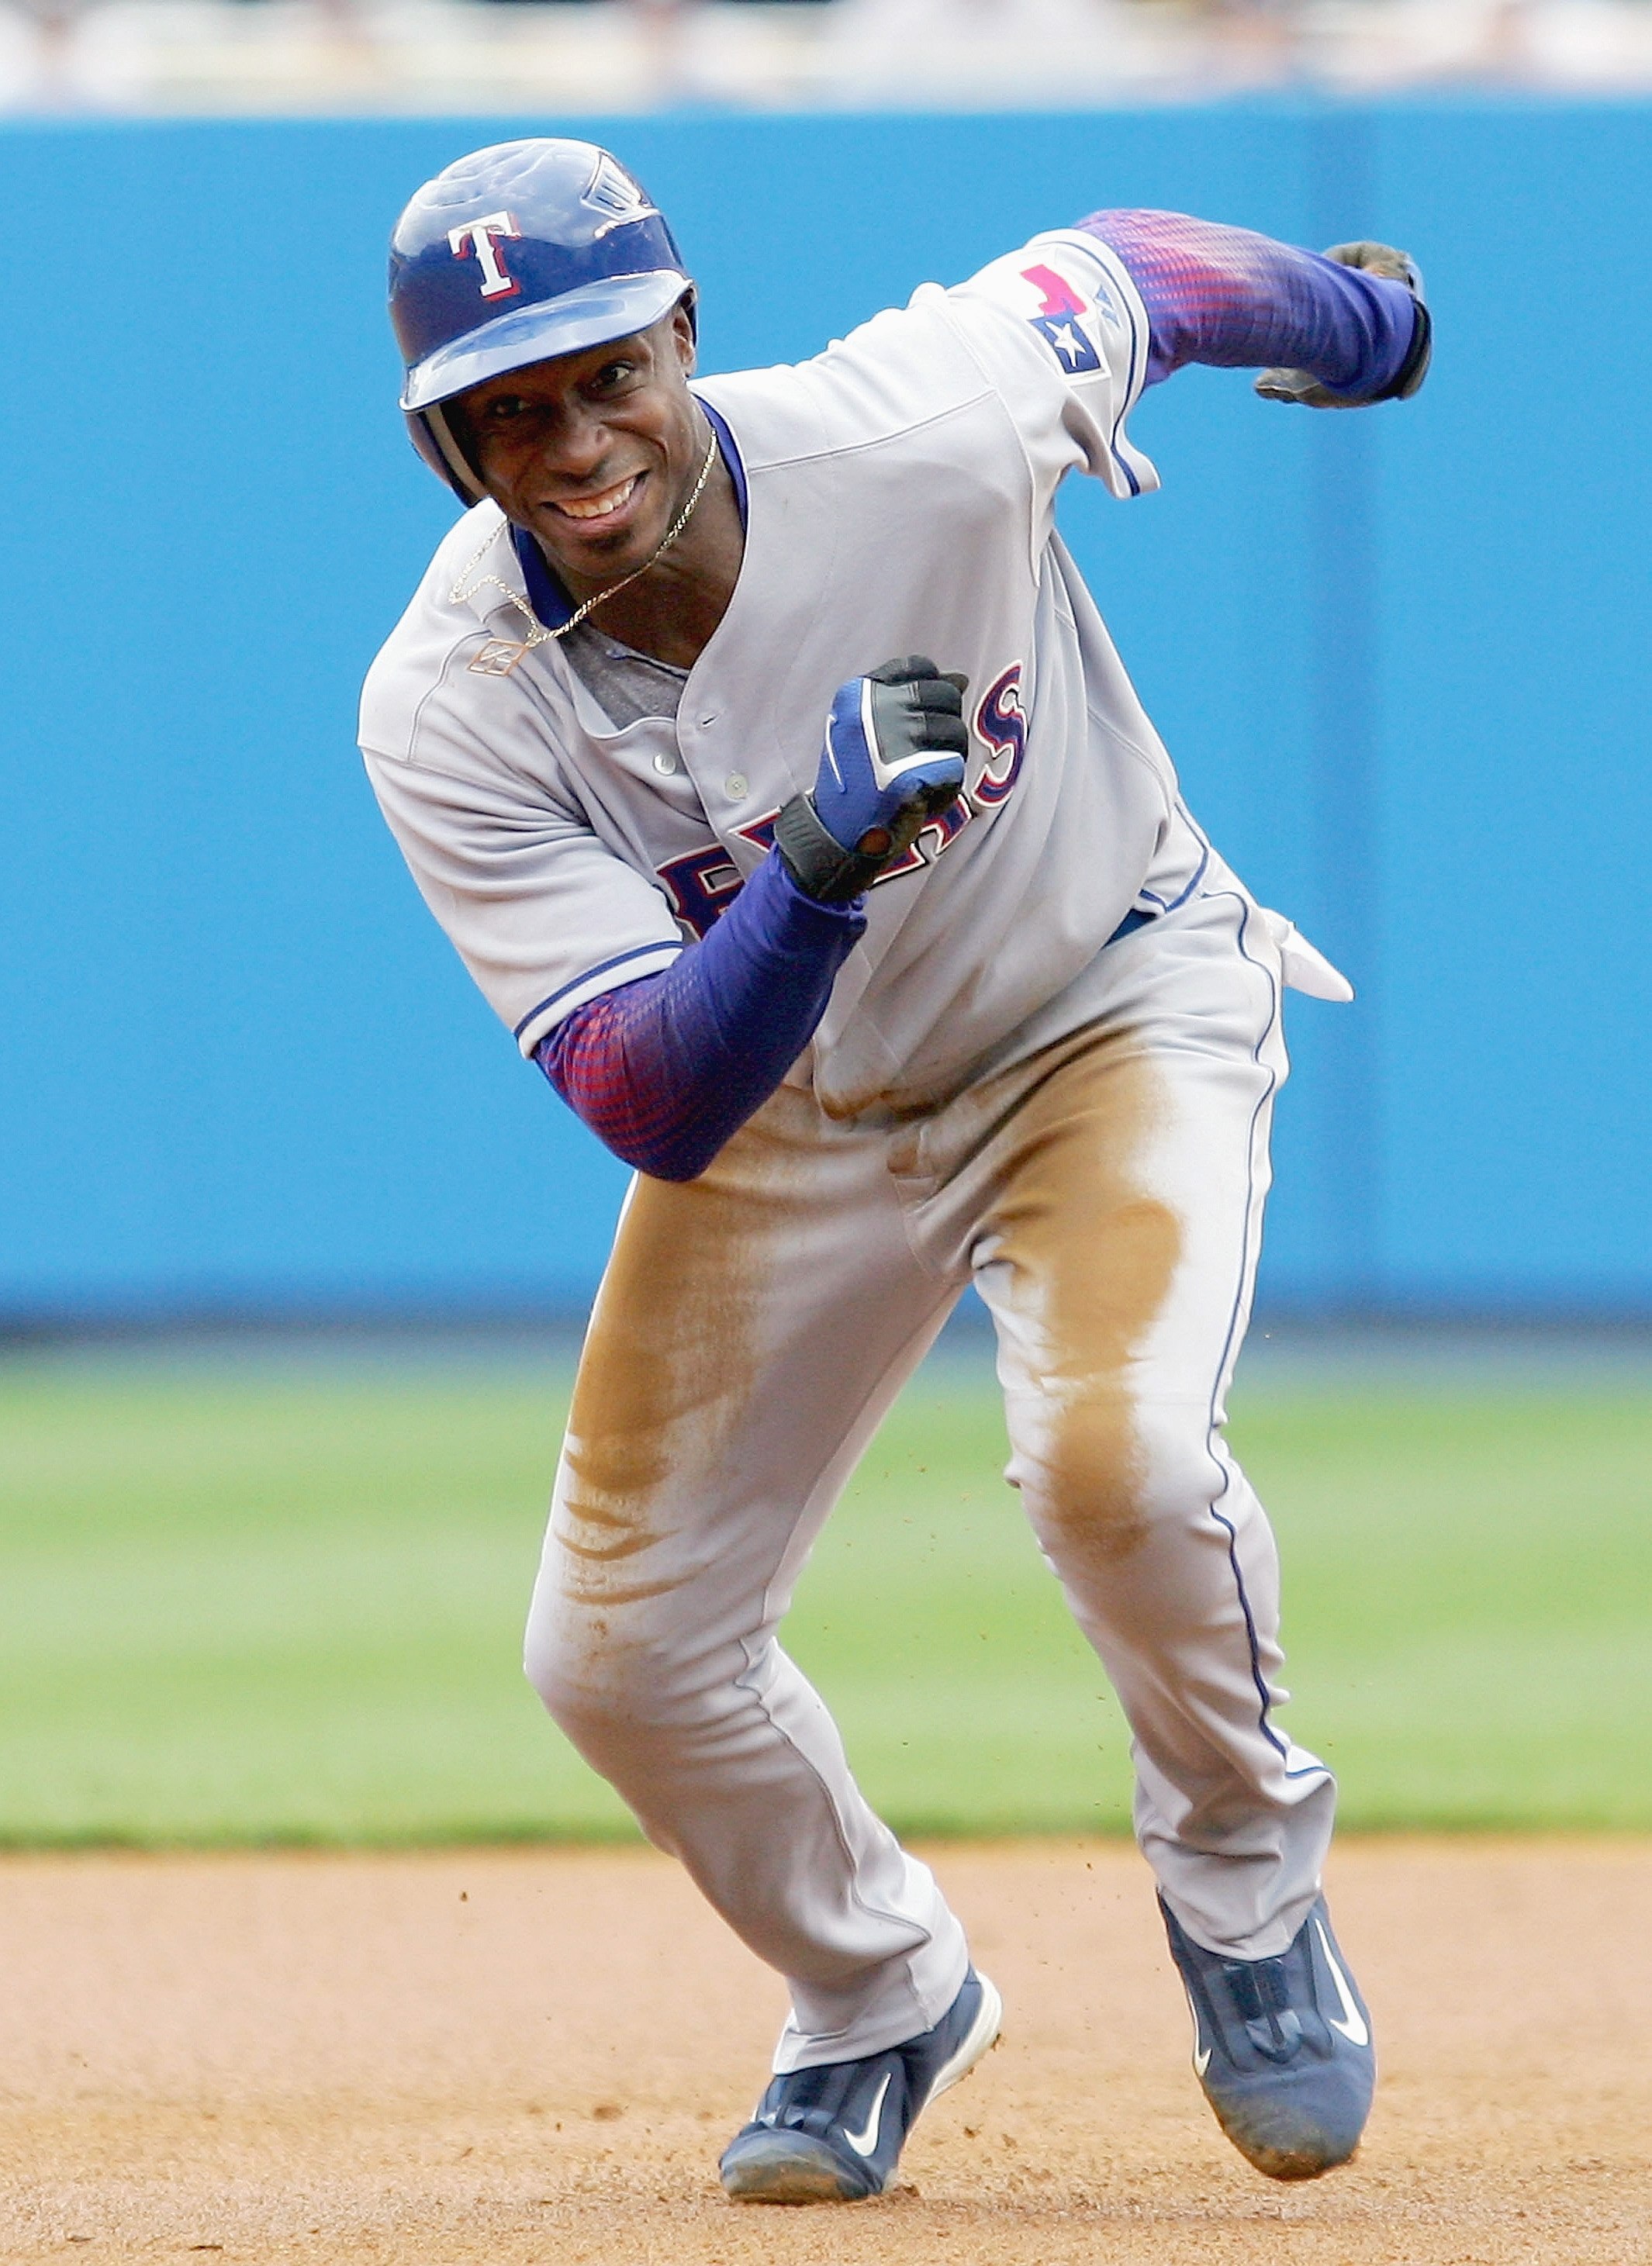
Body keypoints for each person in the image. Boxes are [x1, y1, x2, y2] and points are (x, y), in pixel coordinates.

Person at [360, 136, 1429, 2206]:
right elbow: (653, 1098)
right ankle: (876, 1988)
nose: (572, 438)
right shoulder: (450, 703)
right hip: (782, 1105)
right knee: (617, 1657)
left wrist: (1364, 325)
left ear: (683, 334)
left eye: (605, 371)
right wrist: (812, 877)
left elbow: (1134, 271)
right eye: (509, 407)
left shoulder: (912, 425)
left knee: (1116, 1463)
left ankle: (1242, 1890)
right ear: (444, 443)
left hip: (1097, 999)